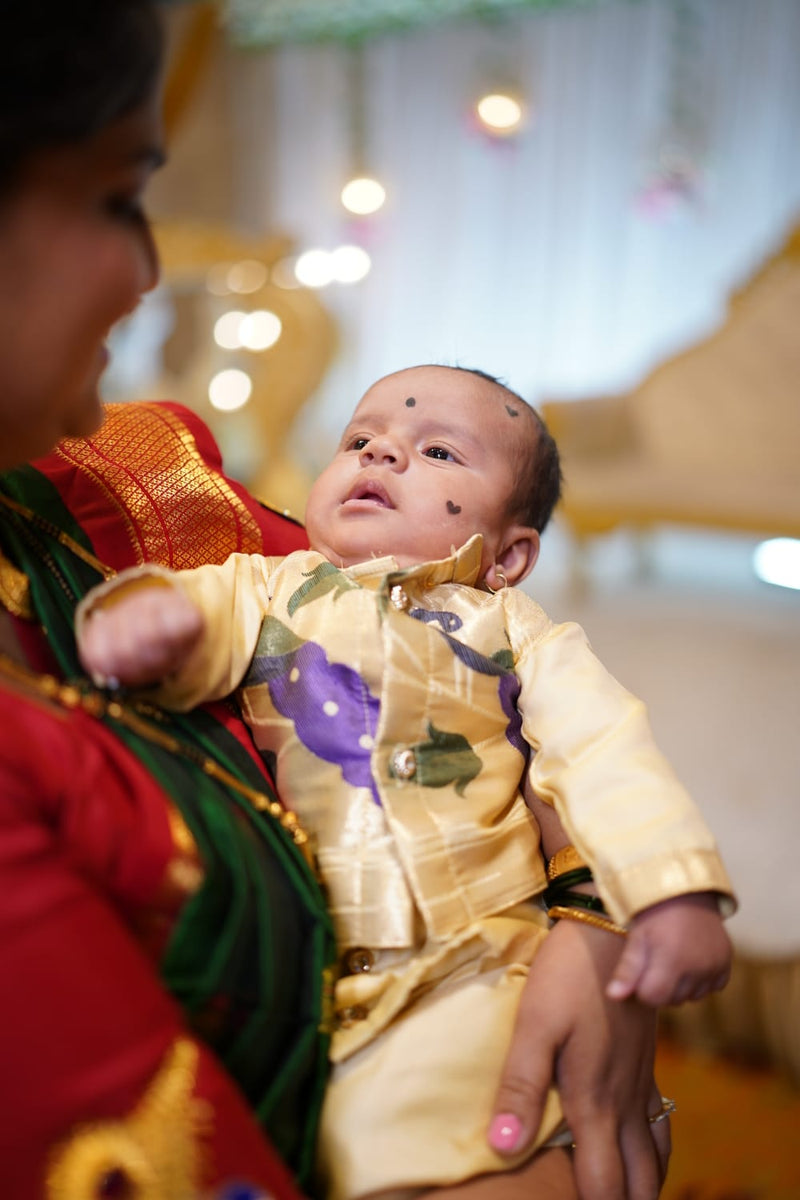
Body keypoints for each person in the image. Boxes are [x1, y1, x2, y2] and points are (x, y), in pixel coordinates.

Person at [77, 364, 735, 1200]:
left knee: (515, 1144)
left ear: (510, 555)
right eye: (359, 439)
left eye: (434, 450)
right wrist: (140, 617)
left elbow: (606, 748)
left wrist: (673, 891)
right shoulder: (266, 586)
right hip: (329, 975)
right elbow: (183, 617)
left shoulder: (518, 632)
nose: (381, 452)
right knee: (368, 1158)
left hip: (490, 953)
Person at [0, 3, 333, 1197]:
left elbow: (460, 650)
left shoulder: (138, 480)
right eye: (112, 199)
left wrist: (575, 923)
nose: (147, 273)